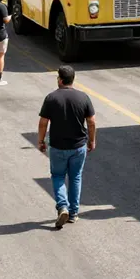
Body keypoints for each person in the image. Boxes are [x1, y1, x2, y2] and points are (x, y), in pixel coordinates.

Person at [38, 65, 96, 227]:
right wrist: (92, 140)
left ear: (61, 80)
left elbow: (43, 123)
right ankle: (74, 212)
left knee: (57, 176)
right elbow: (91, 122)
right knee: (75, 177)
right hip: (78, 147)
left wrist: (41, 141)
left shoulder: (51, 98)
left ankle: (62, 206)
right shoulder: (83, 97)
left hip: (58, 147)